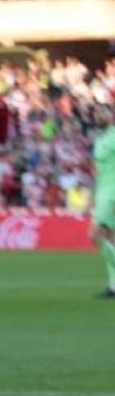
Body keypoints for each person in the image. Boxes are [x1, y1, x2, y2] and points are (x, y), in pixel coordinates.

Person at [90, 106, 115, 298]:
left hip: (112, 192)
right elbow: (98, 170)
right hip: (102, 191)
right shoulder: (100, 140)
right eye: (96, 113)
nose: (98, 115)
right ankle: (113, 285)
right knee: (110, 239)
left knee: (95, 235)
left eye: (102, 112)